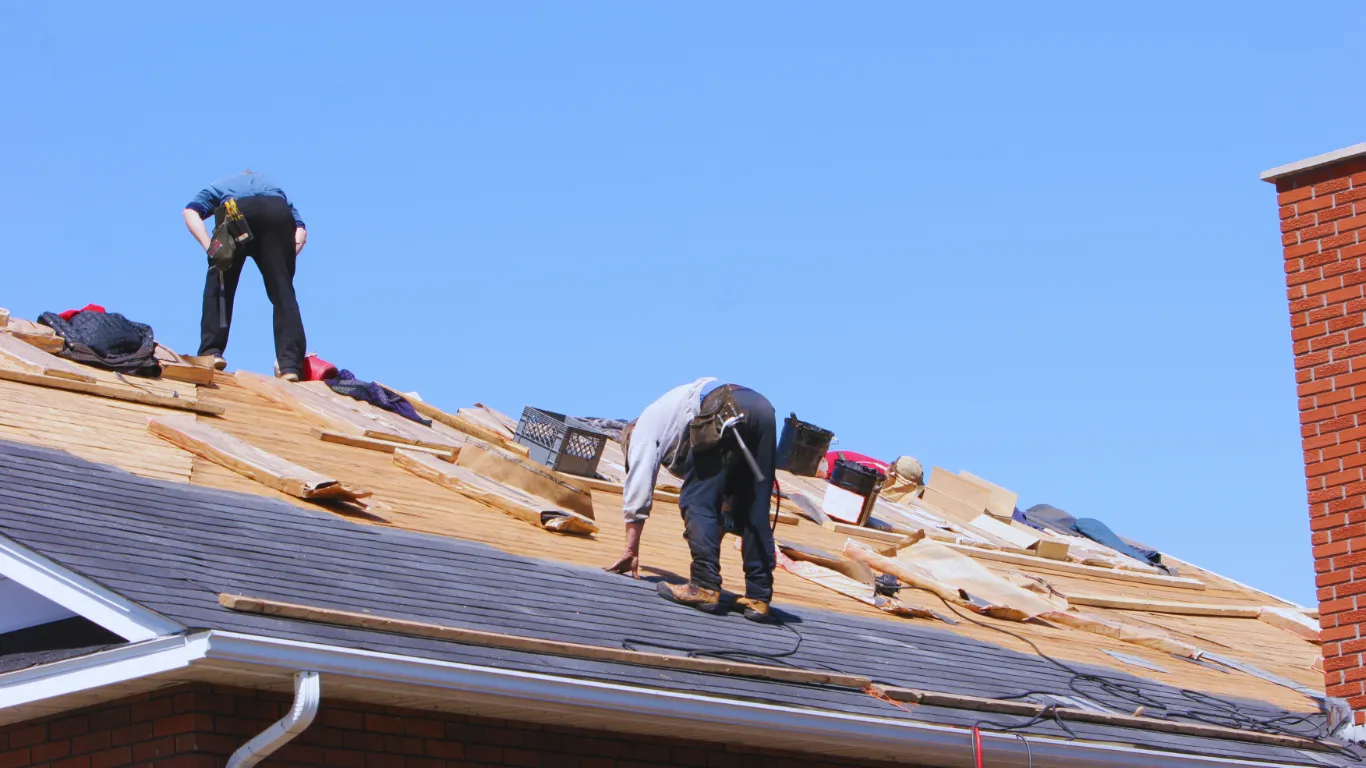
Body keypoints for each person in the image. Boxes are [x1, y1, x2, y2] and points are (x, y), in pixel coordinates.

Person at [605, 378, 778, 621]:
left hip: (725, 406)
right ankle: (758, 596)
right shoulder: (672, 410)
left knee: (696, 500)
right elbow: (726, 501)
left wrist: (630, 549)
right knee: (753, 504)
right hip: (761, 408)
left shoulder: (643, 428)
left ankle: (704, 586)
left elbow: (640, 483)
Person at [182, 170, 308, 380]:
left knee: (221, 281)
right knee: (283, 293)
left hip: (236, 211)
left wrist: (211, 250)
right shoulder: (275, 190)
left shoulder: (220, 185)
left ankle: (211, 352)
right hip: (277, 213)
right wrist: (283, 262)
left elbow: (190, 212)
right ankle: (290, 366)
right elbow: (301, 232)